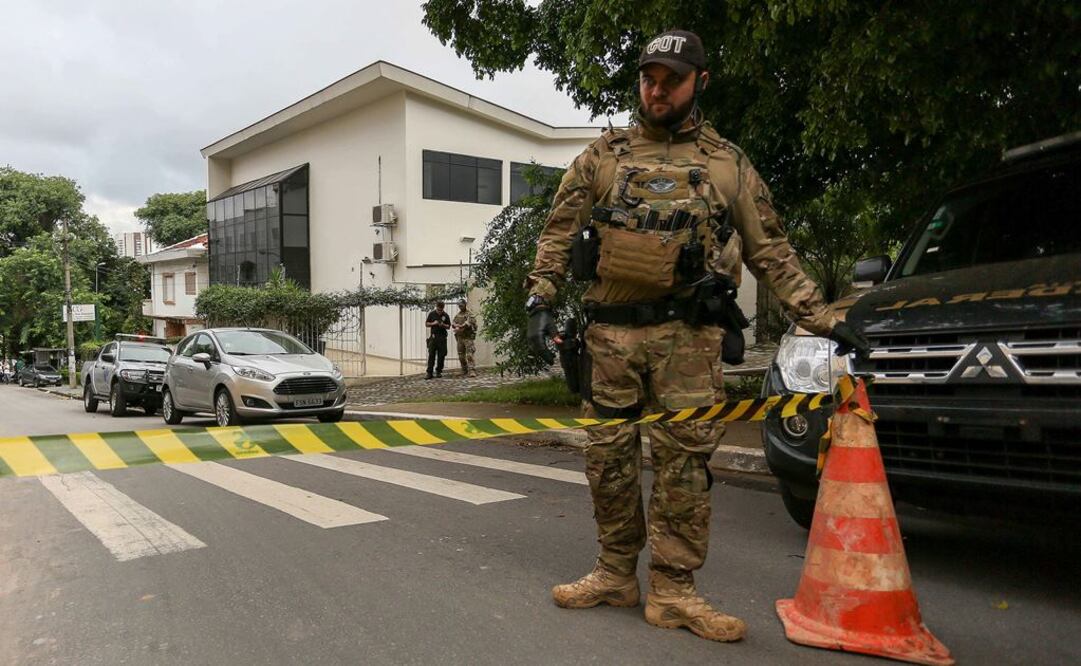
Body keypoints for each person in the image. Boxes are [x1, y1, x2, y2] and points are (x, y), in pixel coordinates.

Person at [524, 30, 869, 643]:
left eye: (671, 79)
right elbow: (558, 231)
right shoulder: (601, 157)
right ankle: (613, 573)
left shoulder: (727, 164)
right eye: (649, 78)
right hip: (609, 341)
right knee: (607, 462)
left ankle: (674, 590)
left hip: (690, 343)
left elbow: (773, 253)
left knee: (684, 469)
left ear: (698, 83)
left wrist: (825, 319)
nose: (657, 90)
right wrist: (540, 298)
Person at [424, 300, 452, 379]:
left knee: (441, 355)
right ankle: (429, 372)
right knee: (431, 355)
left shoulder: (445, 315)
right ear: (436, 307)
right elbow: (426, 324)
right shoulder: (432, 314)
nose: (440, 311)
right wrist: (434, 323)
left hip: (442, 338)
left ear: (443, 308)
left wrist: (443, 325)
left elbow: (449, 326)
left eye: (441, 310)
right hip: (433, 337)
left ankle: (439, 371)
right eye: (438, 310)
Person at [452, 299, 479, 378]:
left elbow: (468, 324)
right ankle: (464, 369)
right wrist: (455, 325)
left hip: (468, 338)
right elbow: (453, 322)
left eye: (461, 305)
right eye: (459, 306)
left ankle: (472, 370)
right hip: (460, 338)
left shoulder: (469, 314)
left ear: (465, 304)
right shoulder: (458, 315)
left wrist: (459, 326)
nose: (460, 307)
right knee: (461, 356)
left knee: (469, 355)